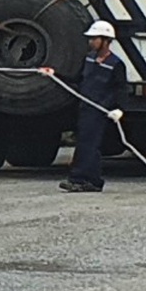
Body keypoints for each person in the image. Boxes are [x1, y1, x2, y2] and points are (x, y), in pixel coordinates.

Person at [58, 19, 127, 193]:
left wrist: (117, 108)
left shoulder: (116, 64)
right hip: (85, 107)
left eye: (94, 38)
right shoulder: (88, 59)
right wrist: (55, 74)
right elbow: (77, 80)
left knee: (89, 144)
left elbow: (121, 89)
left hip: (101, 110)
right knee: (85, 143)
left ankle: (81, 179)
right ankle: (91, 180)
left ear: (105, 40)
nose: (90, 42)